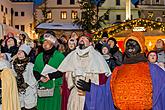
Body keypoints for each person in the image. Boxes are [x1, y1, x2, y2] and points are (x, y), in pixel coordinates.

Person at [77, 32, 165, 110]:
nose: (130, 46)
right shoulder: (118, 71)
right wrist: (91, 88)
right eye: (128, 44)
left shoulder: (153, 70)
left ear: (141, 47)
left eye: (134, 44)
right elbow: (107, 92)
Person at [57, 33, 111, 110]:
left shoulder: (97, 56)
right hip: (75, 94)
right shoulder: (72, 55)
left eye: (85, 38)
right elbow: (66, 77)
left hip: (90, 95)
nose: (82, 39)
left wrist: (91, 87)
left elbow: (102, 80)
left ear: (91, 43)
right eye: (81, 38)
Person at [33, 32, 65, 110]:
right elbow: (35, 70)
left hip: (54, 88)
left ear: (53, 42)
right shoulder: (39, 56)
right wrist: (40, 77)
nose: (45, 43)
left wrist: (50, 76)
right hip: (42, 89)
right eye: (43, 41)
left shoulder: (60, 56)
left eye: (47, 41)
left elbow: (62, 71)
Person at [12, 44, 37, 110]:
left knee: (29, 106)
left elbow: (34, 78)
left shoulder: (30, 65)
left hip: (29, 90)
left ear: (25, 54)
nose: (19, 52)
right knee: (19, 106)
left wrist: (27, 85)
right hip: (18, 90)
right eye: (19, 51)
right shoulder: (13, 65)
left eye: (22, 51)